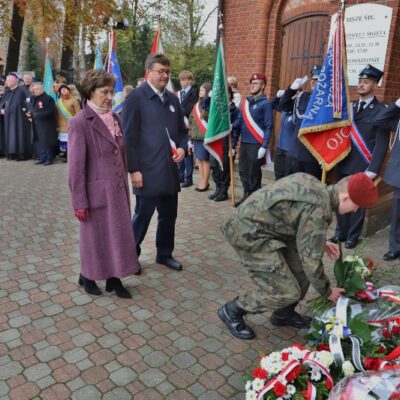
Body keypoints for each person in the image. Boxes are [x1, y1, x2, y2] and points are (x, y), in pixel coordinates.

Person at [217, 172, 378, 340]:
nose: (355, 210)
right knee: (285, 292)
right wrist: (327, 291)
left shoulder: (317, 187)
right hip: (248, 234)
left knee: (300, 270)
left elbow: (297, 218)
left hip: (267, 229)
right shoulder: (319, 209)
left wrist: (319, 241)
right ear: (344, 198)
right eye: (357, 206)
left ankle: (283, 314)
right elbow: (311, 261)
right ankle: (233, 310)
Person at [68, 69, 140, 298]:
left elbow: (121, 153)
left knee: (117, 237)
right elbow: (75, 168)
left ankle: (114, 278)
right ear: (90, 92)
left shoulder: (115, 118)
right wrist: (79, 201)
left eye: (111, 91)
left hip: (117, 191)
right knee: (95, 238)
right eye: (104, 91)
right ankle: (88, 276)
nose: (110, 96)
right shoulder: (80, 122)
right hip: (95, 193)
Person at [123, 53, 187, 272]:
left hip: (169, 170)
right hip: (146, 172)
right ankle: (129, 255)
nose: (165, 75)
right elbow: (128, 137)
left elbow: (181, 132)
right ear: (148, 72)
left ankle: (164, 254)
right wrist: (134, 170)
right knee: (142, 215)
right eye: (161, 71)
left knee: (169, 215)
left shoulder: (172, 99)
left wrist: (182, 148)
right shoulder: (135, 98)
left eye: (168, 72)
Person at [331, 65, 390, 249]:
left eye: (366, 82)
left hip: (362, 164)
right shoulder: (350, 107)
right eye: (360, 81)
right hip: (344, 161)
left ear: (374, 85)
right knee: (340, 197)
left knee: (357, 201)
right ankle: (340, 232)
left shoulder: (381, 110)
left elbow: (381, 143)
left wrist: (373, 169)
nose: (361, 85)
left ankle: (352, 236)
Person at [233, 73, 274, 206]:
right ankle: (247, 195)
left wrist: (264, 146)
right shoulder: (246, 102)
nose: (252, 85)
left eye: (255, 83)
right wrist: (233, 142)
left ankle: (255, 201)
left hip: (256, 144)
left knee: (253, 173)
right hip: (244, 143)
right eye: (251, 83)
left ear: (263, 86)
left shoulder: (265, 104)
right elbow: (239, 123)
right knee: (243, 170)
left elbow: (269, 126)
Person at [279, 65, 322, 179]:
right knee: (289, 190)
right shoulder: (303, 96)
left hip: (313, 156)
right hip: (295, 152)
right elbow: (283, 105)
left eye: (317, 79)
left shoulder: (327, 102)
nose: (313, 81)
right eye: (313, 79)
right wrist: (291, 89)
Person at [372, 98, 400, 261]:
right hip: (399, 175)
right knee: (397, 213)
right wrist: (396, 105)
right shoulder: (398, 121)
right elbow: (379, 119)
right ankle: (395, 246)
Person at [209, 85, 241, 202]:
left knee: (225, 170)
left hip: (227, 143)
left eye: (224, 93)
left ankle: (223, 192)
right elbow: (205, 106)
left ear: (229, 95)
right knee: (214, 166)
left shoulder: (234, 109)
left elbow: (238, 126)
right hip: (216, 142)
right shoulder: (217, 109)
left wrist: (232, 147)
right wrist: (209, 97)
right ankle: (218, 189)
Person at [0, 73, 32, 160]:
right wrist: (2, 109)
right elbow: (3, 103)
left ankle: (20, 154)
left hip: (20, 118)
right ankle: (11, 153)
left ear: (15, 81)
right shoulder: (7, 91)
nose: (6, 82)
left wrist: (28, 111)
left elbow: (28, 101)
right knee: (10, 136)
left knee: (19, 135)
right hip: (8, 118)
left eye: (9, 80)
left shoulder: (22, 90)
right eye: (6, 80)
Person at [188, 82, 212, 192]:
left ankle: (205, 182)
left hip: (204, 136)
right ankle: (202, 180)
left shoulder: (210, 103)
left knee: (205, 160)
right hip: (196, 136)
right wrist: (190, 136)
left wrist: (206, 104)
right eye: (200, 90)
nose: (200, 92)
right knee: (199, 160)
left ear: (208, 92)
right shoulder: (197, 104)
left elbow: (208, 118)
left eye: (203, 90)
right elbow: (191, 120)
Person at [177, 70, 199, 188]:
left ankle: (188, 177)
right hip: (179, 125)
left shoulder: (194, 92)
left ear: (190, 80)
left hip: (189, 125)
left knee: (188, 152)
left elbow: (191, 107)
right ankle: (180, 175)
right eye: (180, 79)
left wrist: (178, 111)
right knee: (179, 149)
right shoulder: (178, 93)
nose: (181, 82)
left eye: (184, 79)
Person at [29, 82, 58, 166]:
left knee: (47, 141)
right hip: (38, 123)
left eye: (37, 89)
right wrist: (30, 113)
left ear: (42, 89)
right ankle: (43, 158)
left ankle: (49, 159)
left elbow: (51, 111)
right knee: (41, 141)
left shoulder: (48, 98)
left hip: (47, 124)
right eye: (34, 89)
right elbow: (33, 110)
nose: (35, 91)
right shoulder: (34, 98)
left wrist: (38, 115)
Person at [271, 89, 295, 180]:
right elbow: (273, 104)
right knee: (278, 175)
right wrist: (277, 96)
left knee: (287, 177)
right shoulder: (285, 110)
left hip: (290, 151)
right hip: (280, 149)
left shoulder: (297, 113)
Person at [56, 84, 81, 160]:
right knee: (64, 142)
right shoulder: (59, 102)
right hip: (62, 125)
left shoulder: (74, 100)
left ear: (69, 90)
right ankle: (66, 154)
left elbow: (79, 113)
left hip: (72, 124)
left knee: (71, 141)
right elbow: (57, 114)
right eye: (62, 90)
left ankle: (71, 155)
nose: (64, 91)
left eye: (65, 89)